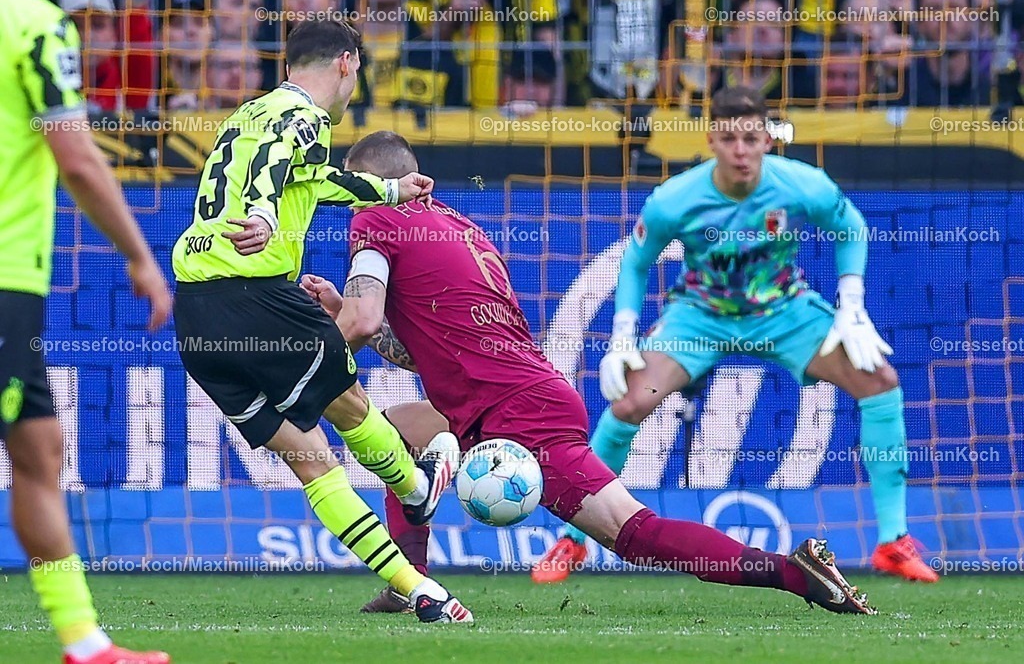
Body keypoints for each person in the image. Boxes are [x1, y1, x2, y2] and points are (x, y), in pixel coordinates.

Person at [300, 130, 877, 617]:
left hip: (516, 412)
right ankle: (412, 580)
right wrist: (346, 317)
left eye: (353, 191)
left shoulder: (375, 218)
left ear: (367, 183)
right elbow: (409, 350)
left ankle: (794, 573)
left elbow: (364, 316)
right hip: (500, 397)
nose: (352, 203)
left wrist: (315, 358)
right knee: (395, 433)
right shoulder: (458, 227)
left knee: (636, 535)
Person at [536, 85, 939, 584]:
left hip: (784, 313)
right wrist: (622, 335)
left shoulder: (802, 185)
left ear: (768, 139)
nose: (741, 150)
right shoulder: (675, 199)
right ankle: (573, 542)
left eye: (751, 138)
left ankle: (892, 542)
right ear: (712, 141)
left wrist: (850, 305)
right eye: (730, 139)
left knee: (879, 383)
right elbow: (636, 263)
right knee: (628, 404)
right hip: (699, 318)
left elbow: (851, 227)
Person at [170, 20, 471, 624]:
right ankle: (416, 489)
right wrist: (259, 215)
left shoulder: (247, 116)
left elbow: (314, 179)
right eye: (357, 70)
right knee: (352, 406)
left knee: (309, 460)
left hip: (196, 313)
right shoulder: (303, 117)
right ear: (345, 62)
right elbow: (276, 168)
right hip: (253, 296)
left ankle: (421, 589)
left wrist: (388, 190)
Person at [1, 0, 173, 662]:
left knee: (39, 446)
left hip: (17, 277)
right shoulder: (36, 25)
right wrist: (139, 256)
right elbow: (75, 156)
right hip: (6, 272)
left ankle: (85, 642)